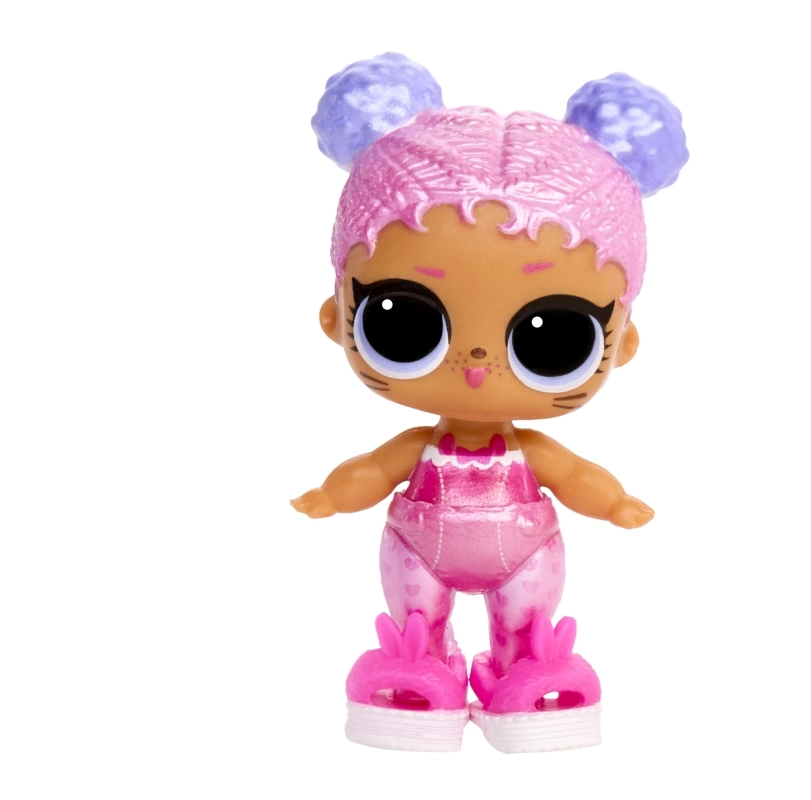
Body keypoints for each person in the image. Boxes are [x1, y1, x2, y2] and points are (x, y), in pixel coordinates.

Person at [292, 53, 688, 753]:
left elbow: (575, 477)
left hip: (523, 554)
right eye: (403, 322)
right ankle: (421, 668)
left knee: (527, 619)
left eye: (553, 337)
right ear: (336, 315)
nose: (477, 366)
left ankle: (523, 669)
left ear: (622, 342)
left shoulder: (525, 450)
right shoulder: (423, 450)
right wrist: (331, 493)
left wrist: (615, 502)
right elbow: (373, 471)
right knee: (416, 615)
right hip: (419, 549)